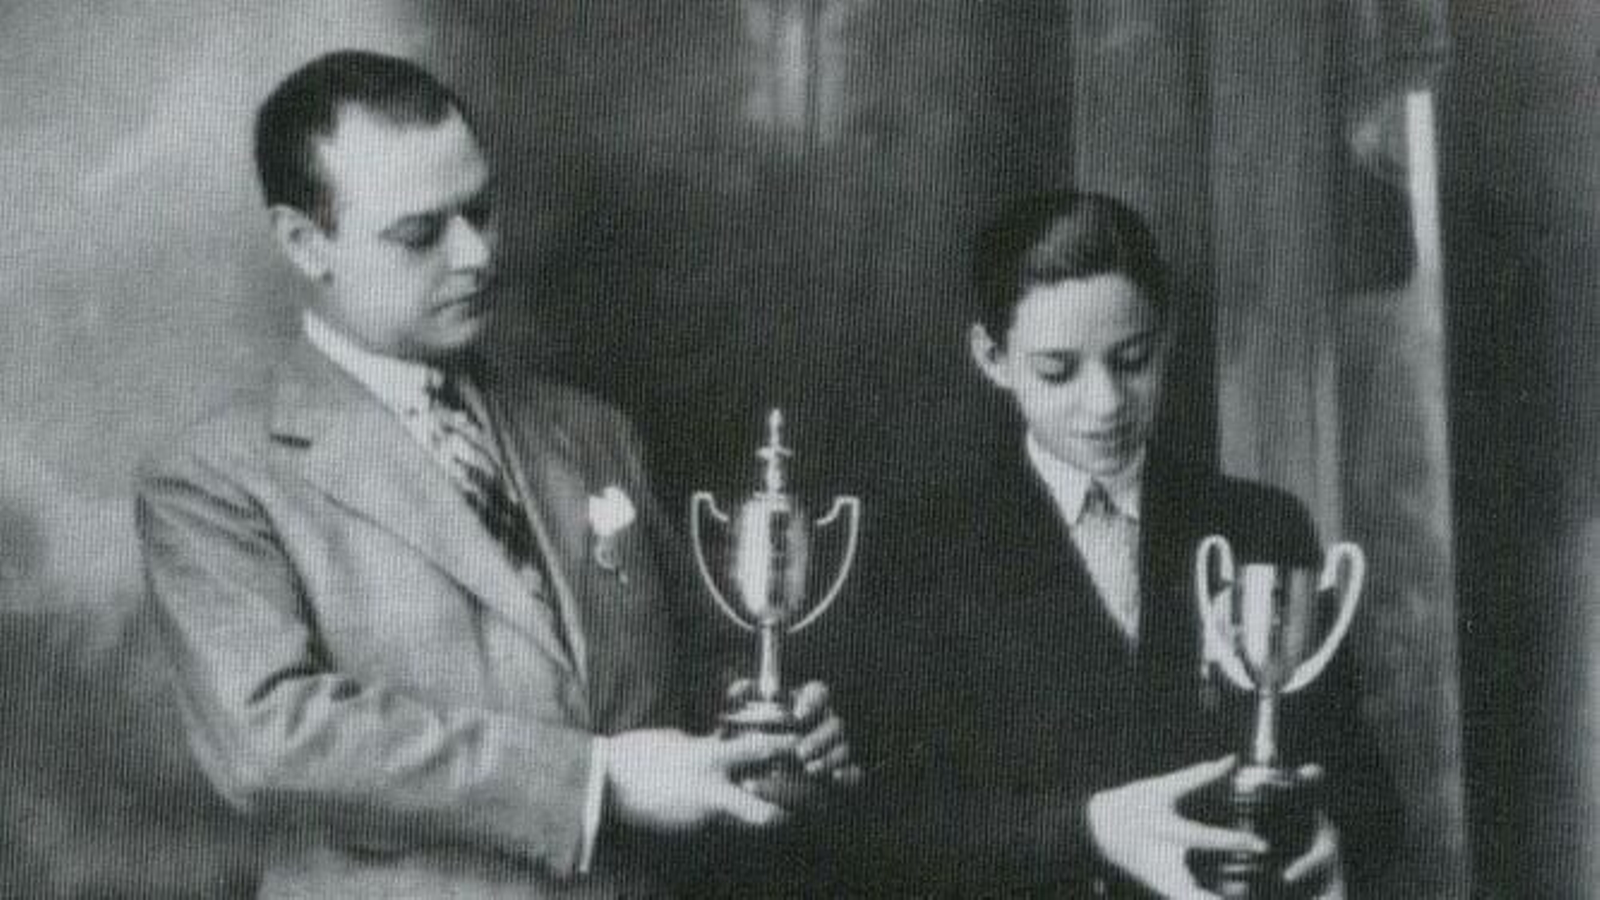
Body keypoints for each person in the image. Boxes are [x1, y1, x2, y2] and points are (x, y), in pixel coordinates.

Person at [135, 50, 856, 898]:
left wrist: (766, 721)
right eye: (420, 233)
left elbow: (692, 662)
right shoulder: (216, 480)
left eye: (481, 210)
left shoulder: (589, 432)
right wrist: (596, 782)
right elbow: (274, 742)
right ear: (304, 242)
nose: (475, 253)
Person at [848, 190, 1398, 897]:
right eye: (1058, 371)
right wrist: (1086, 830)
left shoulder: (1260, 526)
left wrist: (1334, 836)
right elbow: (880, 824)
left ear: (1165, 336)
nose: (1105, 402)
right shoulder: (924, 551)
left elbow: (1365, 787)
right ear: (992, 358)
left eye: (1132, 359)